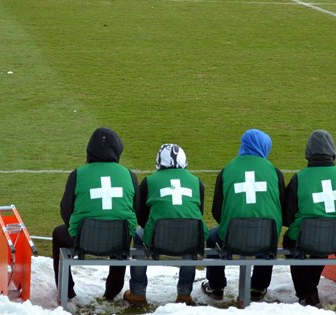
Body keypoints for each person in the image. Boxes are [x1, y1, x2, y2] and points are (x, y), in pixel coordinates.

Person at [52, 127, 138, 302]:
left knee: (58, 233)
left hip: (83, 238)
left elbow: (65, 210)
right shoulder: (130, 175)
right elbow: (134, 210)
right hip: (119, 239)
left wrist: (78, 231)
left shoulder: (77, 174)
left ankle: (66, 290)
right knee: (124, 231)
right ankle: (112, 291)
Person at [201, 129, 284, 304]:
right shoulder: (274, 172)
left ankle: (216, 286)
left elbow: (217, 210)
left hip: (231, 236)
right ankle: (257, 287)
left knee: (212, 236)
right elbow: (281, 208)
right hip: (266, 236)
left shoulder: (227, 170)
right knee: (269, 238)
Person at [282, 130, 336, 308]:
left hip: (307, 237)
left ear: (308, 151)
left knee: (293, 242)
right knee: (322, 240)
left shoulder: (299, 178)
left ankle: (307, 293)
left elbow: (287, 217)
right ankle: (309, 290)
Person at [124, 144, 205, 306]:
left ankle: (138, 292)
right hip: (190, 237)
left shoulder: (149, 181)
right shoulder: (197, 182)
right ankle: (184, 294)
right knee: (191, 236)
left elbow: (141, 217)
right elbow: (199, 213)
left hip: (158, 239)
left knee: (139, 235)